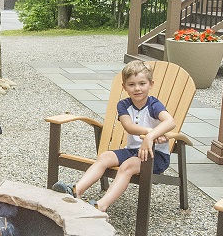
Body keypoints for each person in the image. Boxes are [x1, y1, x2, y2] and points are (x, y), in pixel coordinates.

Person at [51, 60, 175, 212]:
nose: (137, 88)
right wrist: (151, 133)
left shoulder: (154, 105)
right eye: (131, 84)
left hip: (155, 155)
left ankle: (101, 205)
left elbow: (170, 122)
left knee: (127, 166)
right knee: (105, 157)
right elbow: (129, 127)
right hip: (133, 151)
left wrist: (150, 138)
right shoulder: (123, 105)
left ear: (151, 84)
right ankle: (76, 190)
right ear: (124, 87)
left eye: (142, 83)